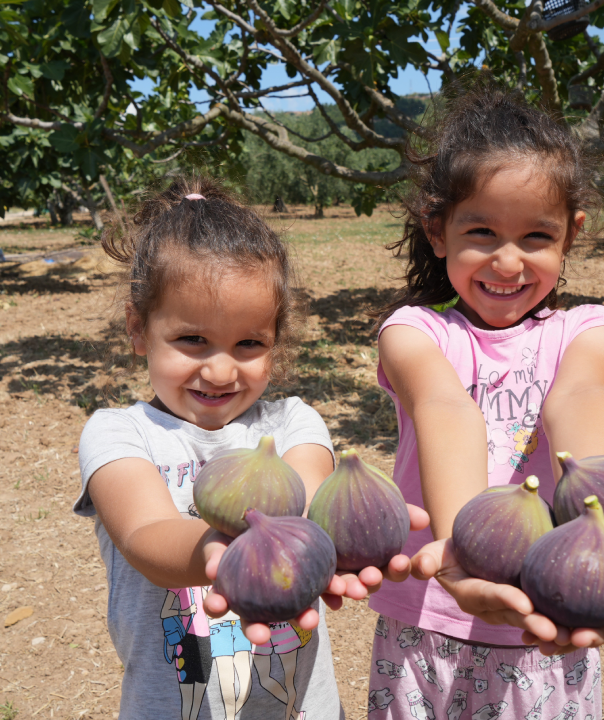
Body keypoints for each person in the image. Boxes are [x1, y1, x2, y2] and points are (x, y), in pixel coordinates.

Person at [368, 82, 604, 719]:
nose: (508, 261)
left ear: (571, 236)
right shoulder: (415, 332)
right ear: (438, 232)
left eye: (536, 236)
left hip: (549, 616)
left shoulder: (586, 330)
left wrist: (602, 526)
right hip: (429, 621)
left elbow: (582, 396)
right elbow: (443, 407)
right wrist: (465, 549)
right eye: (482, 230)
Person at [72, 175, 427, 720]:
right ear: (138, 329)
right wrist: (222, 553)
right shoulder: (118, 432)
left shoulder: (291, 425)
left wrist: (360, 526)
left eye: (248, 344)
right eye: (192, 340)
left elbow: (306, 510)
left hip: (298, 708)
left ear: (275, 342)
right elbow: (145, 535)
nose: (219, 369)